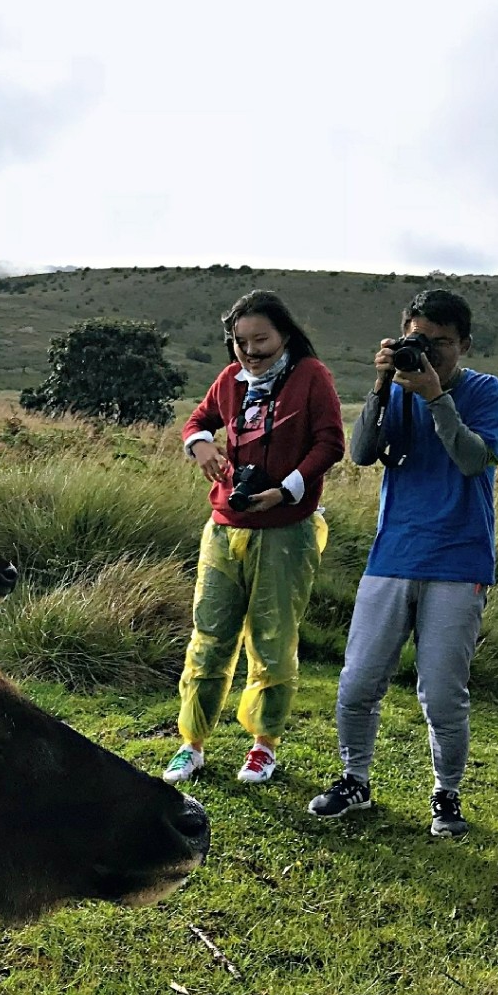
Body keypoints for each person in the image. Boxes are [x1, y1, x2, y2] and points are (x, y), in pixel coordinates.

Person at [309, 287, 498, 836]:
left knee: (442, 693)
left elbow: (472, 460)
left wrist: (435, 395)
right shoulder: (394, 387)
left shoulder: (486, 392)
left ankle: (447, 794)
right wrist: (380, 384)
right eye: (421, 340)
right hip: (393, 552)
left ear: (465, 344)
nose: (432, 353)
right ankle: (355, 780)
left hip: (459, 558)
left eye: (443, 343)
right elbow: (362, 453)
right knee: (357, 682)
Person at [164, 291, 345, 786]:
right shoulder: (231, 382)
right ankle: (191, 744)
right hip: (225, 527)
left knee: (273, 640)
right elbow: (198, 420)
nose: (250, 351)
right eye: (240, 341)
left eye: (260, 339)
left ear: (284, 334)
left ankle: (263, 746)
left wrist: (284, 491)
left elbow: (330, 442)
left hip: (286, 529)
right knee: (209, 636)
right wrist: (200, 446)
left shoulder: (311, 376)